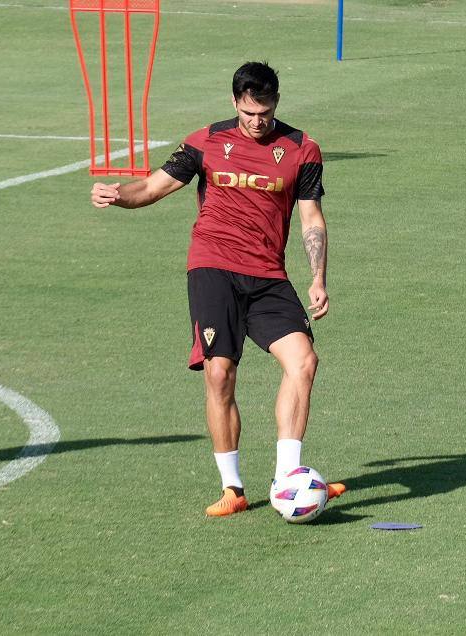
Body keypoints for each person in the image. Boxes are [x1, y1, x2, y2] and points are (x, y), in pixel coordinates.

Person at [90, 61, 346, 516]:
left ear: (277, 103)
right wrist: (118, 194)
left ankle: (287, 477)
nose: (256, 122)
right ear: (234, 103)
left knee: (304, 361)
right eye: (248, 113)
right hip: (213, 266)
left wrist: (319, 276)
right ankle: (234, 489)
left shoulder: (302, 149)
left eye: (264, 112)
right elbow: (153, 186)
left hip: (268, 275)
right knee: (220, 372)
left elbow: (311, 218)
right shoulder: (206, 141)